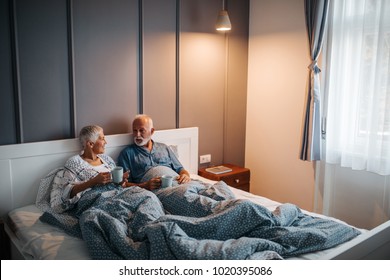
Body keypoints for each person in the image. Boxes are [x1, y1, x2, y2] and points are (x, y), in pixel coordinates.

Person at [117, 114, 191, 191]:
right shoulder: (127, 153)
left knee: (202, 189)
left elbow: (180, 169)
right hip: (163, 190)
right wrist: (144, 185)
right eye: (135, 130)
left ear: (152, 131)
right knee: (193, 199)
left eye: (141, 130)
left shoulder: (164, 147)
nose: (137, 135)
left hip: (180, 183)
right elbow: (123, 184)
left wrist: (185, 175)